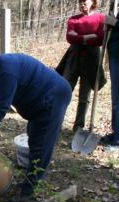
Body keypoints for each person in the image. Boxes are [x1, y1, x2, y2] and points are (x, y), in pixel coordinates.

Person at [0, 48, 72, 199]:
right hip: (39, 101)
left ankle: (28, 191)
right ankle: (32, 177)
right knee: (34, 137)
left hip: (53, 96)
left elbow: (2, 107)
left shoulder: (7, 72)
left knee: (41, 144)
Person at [56, 0, 106, 133]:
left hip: (91, 61)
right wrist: (88, 37)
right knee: (64, 91)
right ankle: (56, 122)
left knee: (85, 96)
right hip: (73, 59)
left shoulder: (101, 18)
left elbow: (100, 39)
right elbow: (69, 38)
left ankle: (78, 127)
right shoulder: (73, 20)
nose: (82, 4)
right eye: (80, 2)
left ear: (93, 2)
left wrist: (79, 37)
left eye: (85, 1)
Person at [101, 11, 119, 147]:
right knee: (115, 98)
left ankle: (118, 139)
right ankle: (116, 133)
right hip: (115, 55)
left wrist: (115, 23)